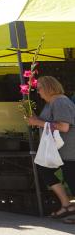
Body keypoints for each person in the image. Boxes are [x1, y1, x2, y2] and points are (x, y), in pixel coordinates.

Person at [28, 75, 75, 220]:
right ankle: (66, 204)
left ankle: (68, 206)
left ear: (48, 87)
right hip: (58, 150)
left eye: (40, 88)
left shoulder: (60, 101)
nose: (38, 92)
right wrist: (35, 119)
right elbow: (49, 122)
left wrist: (37, 122)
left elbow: (64, 126)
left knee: (72, 179)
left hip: (69, 149)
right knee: (44, 169)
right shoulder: (51, 103)